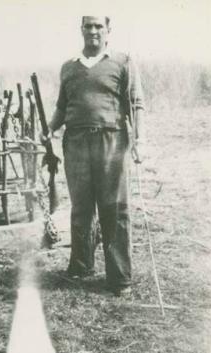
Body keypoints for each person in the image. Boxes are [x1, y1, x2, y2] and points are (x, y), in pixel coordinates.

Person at [42, 16, 144, 296]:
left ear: (109, 30)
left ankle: (119, 277)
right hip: (75, 142)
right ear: (81, 30)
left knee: (114, 208)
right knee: (81, 207)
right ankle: (80, 266)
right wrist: (50, 129)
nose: (93, 31)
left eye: (99, 26)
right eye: (88, 26)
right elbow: (63, 107)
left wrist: (139, 140)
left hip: (111, 140)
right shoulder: (69, 68)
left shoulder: (122, 62)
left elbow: (136, 105)